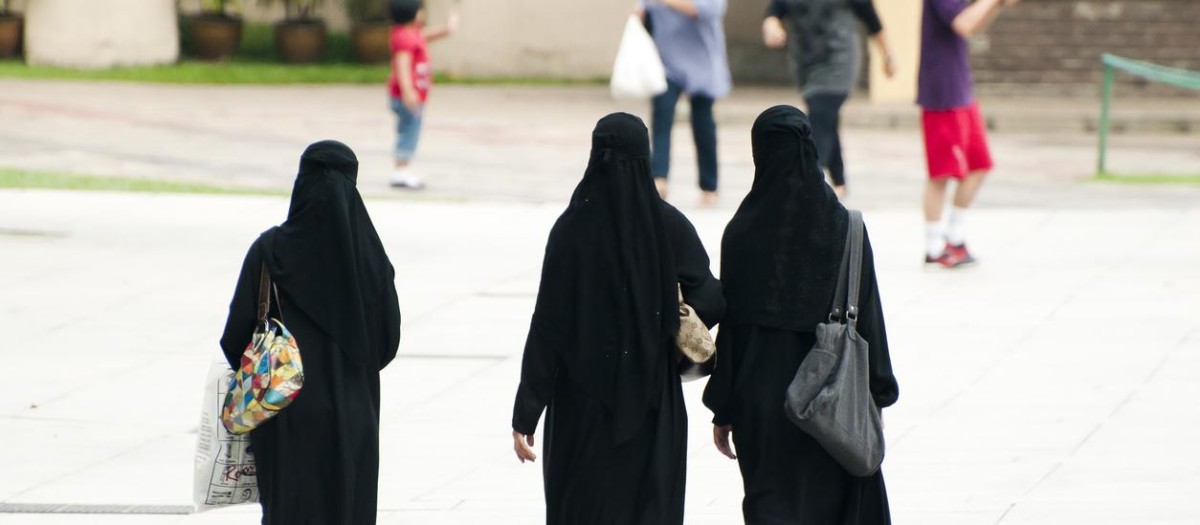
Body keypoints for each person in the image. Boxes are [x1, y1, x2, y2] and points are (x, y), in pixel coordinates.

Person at [511, 113, 725, 525]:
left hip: (579, 405)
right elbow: (712, 299)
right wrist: (664, 322)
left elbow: (548, 326)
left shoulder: (571, 229)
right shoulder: (667, 224)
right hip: (652, 401)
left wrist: (526, 411)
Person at [703, 106, 899, 524]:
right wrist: (878, 395)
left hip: (762, 407)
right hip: (832, 401)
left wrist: (724, 408)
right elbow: (869, 318)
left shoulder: (741, 233)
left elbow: (733, 331)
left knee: (770, 506)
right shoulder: (847, 227)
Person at [220, 141, 402, 525]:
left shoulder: (269, 251)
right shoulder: (371, 260)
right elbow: (386, 344)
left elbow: (234, 339)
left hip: (284, 414)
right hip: (355, 417)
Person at [919, 0, 1019, 267]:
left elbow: (973, 26)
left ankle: (954, 237)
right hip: (942, 93)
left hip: (961, 90)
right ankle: (933, 246)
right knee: (941, 173)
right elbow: (963, 24)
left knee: (980, 164)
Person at [762, 0, 896, 199]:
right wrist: (771, 27)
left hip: (839, 62)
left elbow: (872, 20)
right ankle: (840, 181)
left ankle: (808, 183)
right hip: (806, 65)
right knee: (826, 120)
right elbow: (774, 12)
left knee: (819, 116)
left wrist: (888, 56)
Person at [639, 0, 731, 206]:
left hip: (703, 62)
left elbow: (706, 10)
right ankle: (659, 177)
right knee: (662, 117)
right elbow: (644, 9)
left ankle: (709, 186)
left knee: (703, 122)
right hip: (666, 61)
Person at [387, 0, 458, 190]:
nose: (423, 14)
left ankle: (402, 169)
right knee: (410, 132)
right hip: (407, 98)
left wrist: (447, 29)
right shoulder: (404, 37)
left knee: (408, 130)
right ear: (414, 14)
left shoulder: (410, 33)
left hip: (410, 96)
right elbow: (402, 66)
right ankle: (401, 173)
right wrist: (408, 92)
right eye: (420, 11)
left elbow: (426, 36)